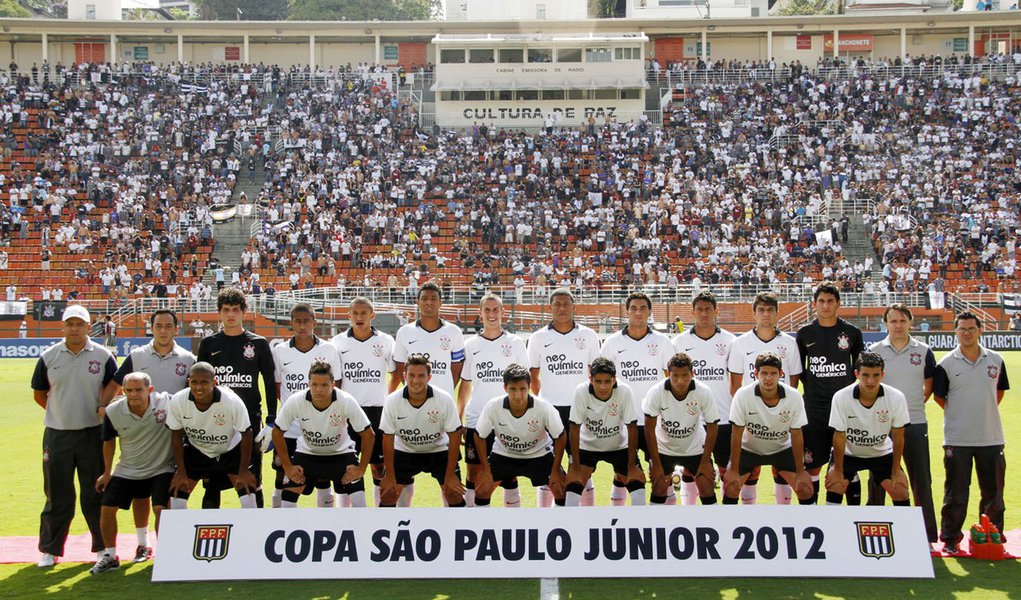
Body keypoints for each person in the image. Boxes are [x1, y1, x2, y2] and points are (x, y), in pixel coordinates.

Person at [31, 305, 119, 568]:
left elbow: (112, 387)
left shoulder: (103, 356)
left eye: (79, 324)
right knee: (57, 494)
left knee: (95, 493)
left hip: (93, 434)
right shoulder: (49, 356)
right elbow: (39, 393)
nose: (74, 328)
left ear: (88, 327)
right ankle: (50, 549)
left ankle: (101, 548)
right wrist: (60, 413)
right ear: (62, 327)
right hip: (57, 435)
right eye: (69, 324)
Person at [111, 309, 195, 563]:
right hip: (141, 433)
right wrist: (103, 409)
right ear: (152, 328)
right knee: (140, 491)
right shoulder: (136, 356)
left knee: (170, 491)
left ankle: (170, 546)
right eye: (158, 326)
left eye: (168, 326)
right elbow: (116, 385)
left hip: (174, 434)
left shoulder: (188, 358)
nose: (163, 330)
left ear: (176, 329)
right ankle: (142, 542)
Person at [933, 312, 1010, 555]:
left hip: (991, 437)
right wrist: (962, 413)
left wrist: (981, 412)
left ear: (980, 330)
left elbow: (998, 393)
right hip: (957, 438)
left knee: (994, 493)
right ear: (955, 332)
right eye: (962, 328)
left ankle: (992, 535)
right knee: (956, 493)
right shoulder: (946, 363)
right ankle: (951, 539)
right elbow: (939, 397)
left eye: (971, 328)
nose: (966, 332)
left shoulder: (995, 360)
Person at [196, 287, 276, 508]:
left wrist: (271, 419)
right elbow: (198, 385)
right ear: (219, 312)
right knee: (212, 481)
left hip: (250, 421)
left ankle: (255, 534)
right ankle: (209, 533)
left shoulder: (258, 343)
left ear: (244, 312)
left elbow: (269, 381)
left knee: (251, 481)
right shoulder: (208, 344)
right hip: (216, 421)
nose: (230, 314)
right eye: (226, 310)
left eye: (235, 310)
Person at [868, 304, 938, 547]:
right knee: (877, 479)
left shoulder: (924, 350)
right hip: (881, 426)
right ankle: (873, 531)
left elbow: (929, 384)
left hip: (915, 423)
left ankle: (926, 536)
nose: (898, 325)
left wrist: (913, 406)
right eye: (893, 321)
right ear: (885, 324)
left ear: (911, 322)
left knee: (921, 479)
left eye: (902, 321)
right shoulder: (875, 351)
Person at [90, 373, 173, 574]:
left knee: (161, 508)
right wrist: (107, 472)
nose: (134, 394)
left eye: (139, 390)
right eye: (129, 390)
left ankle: (165, 555)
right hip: (128, 468)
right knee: (107, 507)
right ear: (123, 391)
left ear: (150, 390)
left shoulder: (167, 402)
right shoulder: (113, 411)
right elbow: (108, 441)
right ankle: (110, 555)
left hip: (162, 467)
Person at [391, 281, 464, 506]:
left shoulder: (453, 331)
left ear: (441, 302)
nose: (429, 303)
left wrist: (442, 391)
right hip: (410, 408)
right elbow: (401, 370)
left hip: (443, 410)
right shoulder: (405, 332)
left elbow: (456, 368)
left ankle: (454, 527)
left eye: (434, 299)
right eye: (425, 299)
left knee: (450, 483)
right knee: (400, 482)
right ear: (418, 302)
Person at [527, 288, 601, 506]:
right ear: (549, 308)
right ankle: (546, 517)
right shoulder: (538, 337)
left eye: (566, 304)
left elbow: (595, 375)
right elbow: (533, 376)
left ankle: (587, 519)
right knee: (549, 466)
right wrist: (545, 401)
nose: (561, 308)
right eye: (557, 304)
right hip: (550, 412)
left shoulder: (588, 336)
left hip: (580, 411)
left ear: (573, 307)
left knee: (581, 467)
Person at [728, 291, 802, 505]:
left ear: (777, 313)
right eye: (761, 310)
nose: (766, 314)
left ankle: (782, 518)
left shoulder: (789, 343)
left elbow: (794, 383)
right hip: (751, 419)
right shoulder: (741, 343)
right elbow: (735, 386)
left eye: (770, 310)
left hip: (781, 418)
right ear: (754, 314)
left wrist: (782, 414)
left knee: (783, 473)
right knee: (750, 474)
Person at [796, 281, 865, 505]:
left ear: (838, 304)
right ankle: (813, 513)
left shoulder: (852, 333)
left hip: (844, 409)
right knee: (813, 463)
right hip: (814, 408)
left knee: (846, 461)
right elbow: (799, 372)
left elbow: (860, 370)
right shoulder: (805, 333)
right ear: (815, 304)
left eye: (830, 301)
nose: (826, 306)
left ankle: (847, 513)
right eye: (821, 301)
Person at [271, 359, 375, 508]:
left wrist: (361, 468)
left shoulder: (345, 400)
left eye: (324, 385)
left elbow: (369, 435)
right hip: (307, 454)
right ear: (309, 384)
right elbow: (277, 432)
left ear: (332, 385)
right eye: (314, 384)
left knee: (359, 502)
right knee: (287, 500)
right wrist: (288, 467)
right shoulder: (296, 400)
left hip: (341, 455)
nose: (319, 389)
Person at [599, 291, 671, 505]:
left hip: (654, 422)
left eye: (642, 308)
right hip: (623, 421)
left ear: (649, 312)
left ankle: (664, 527)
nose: (638, 312)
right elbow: (602, 384)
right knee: (623, 474)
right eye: (633, 308)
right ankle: (620, 526)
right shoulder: (611, 343)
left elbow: (671, 381)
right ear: (627, 311)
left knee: (662, 475)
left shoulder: (663, 342)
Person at [457, 293, 529, 507]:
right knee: (473, 473)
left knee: (510, 472)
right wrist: (459, 419)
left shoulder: (515, 343)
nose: (491, 314)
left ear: (503, 313)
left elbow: (526, 384)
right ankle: (473, 520)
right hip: (476, 418)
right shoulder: (470, 345)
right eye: (486, 310)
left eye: (495, 309)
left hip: (509, 418)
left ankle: (512, 524)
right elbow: (466, 384)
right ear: (479, 313)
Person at [271, 303, 343, 508]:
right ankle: (279, 525)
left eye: (306, 321)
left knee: (322, 480)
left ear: (314, 322)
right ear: (291, 323)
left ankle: (324, 527)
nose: (302, 326)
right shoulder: (280, 351)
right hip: (290, 430)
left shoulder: (329, 349)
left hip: (322, 427)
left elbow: (336, 386)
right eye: (297, 321)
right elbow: (278, 387)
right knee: (283, 479)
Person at [723, 352, 813, 505]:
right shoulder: (743, 395)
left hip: (781, 449)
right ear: (756, 373)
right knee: (731, 487)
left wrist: (800, 471)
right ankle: (731, 526)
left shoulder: (794, 396)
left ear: (781, 374)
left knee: (804, 488)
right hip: (749, 449)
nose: (768, 378)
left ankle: (804, 525)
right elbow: (736, 433)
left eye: (773, 373)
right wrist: (733, 469)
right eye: (764, 373)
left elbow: (797, 434)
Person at [472, 364, 567, 507]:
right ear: (505, 388)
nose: (518, 395)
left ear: (529, 386)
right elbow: (479, 435)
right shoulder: (493, 406)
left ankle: (557, 525)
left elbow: (560, 436)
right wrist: (485, 469)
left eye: (522, 389)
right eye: (512, 389)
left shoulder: (543, 407)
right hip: (504, 454)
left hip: (538, 454)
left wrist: (556, 469)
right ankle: (484, 525)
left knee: (561, 489)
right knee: (482, 489)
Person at [332, 297, 397, 507]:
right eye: (355, 313)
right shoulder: (338, 342)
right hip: (348, 412)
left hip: (377, 411)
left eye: (363, 313)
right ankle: (345, 515)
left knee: (378, 466)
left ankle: (379, 513)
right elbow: (337, 379)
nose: (359, 317)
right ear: (348, 315)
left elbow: (395, 374)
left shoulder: (386, 341)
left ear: (372, 315)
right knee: (346, 465)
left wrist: (384, 396)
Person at [166, 362, 258, 509]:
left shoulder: (231, 401)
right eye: (194, 382)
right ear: (189, 381)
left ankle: (249, 531)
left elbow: (246, 433)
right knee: (177, 493)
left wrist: (244, 471)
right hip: (198, 449)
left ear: (214, 382)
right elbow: (176, 434)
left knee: (248, 494)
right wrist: (181, 472)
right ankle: (181, 531)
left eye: (204, 382)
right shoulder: (178, 400)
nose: (198, 387)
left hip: (230, 450)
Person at [673, 290, 736, 505]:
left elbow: (736, 379)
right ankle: (689, 517)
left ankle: (727, 517)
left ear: (716, 311)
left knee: (726, 471)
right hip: (692, 419)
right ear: (692, 312)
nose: (704, 314)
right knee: (691, 472)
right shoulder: (680, 342)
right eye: (699, 309)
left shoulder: (729, 340)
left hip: (724, 416)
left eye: (708, 309)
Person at [824, 353, 911, 507]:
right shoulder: (841, 397)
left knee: (900, 490)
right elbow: (839, 436)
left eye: (876, 375)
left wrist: (896, 470)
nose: (871, 381)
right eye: (865, 375)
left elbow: (898, 435)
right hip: (848, 454)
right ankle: (833, 529)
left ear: (883, 374)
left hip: (881, 453)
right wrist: (837, 470)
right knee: (835, 485)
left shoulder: (896, 397)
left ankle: (901, 531)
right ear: (857, 374)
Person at [378, 355, 466, 508]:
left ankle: (458, 529)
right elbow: (387, 438)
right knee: (388, 494)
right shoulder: (392, 400)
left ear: (429, 377)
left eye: (421, 376)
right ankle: (389, 530)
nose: (416, 381)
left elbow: (455, 435)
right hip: (404, 451)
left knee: (453, 492)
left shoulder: (444, 399)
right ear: (404, 376)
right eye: (411, 375)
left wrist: (451, 475)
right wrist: (390, 476)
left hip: (438, 451)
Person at [565, 358, 645, 507]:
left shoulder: (624, 391)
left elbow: (632, 427)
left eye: (607, 381)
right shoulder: (581, 391)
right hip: (587, 447)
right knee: (572, 490)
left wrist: (632, 465)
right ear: (590, 379)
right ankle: (575, 527)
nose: (603, 387)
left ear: (614, 380)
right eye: (598, 381)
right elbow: (574, 427)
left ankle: (633, 527)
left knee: (639, 490)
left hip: (619, 447)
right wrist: (575, 467)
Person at [643, 352, 719, 505]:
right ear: (668, 374)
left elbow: (713, 425)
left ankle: (713, 525)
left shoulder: (703, 391)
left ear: (692, 373)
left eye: (685, 375)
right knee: (658, 486)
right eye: (675, 376)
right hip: (664, 448)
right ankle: (657, 526)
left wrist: (705, 462)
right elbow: (649, 428)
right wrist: (656, 464)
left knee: (707, 486)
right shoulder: (656, 392)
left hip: (695, 448)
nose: (680, 381)